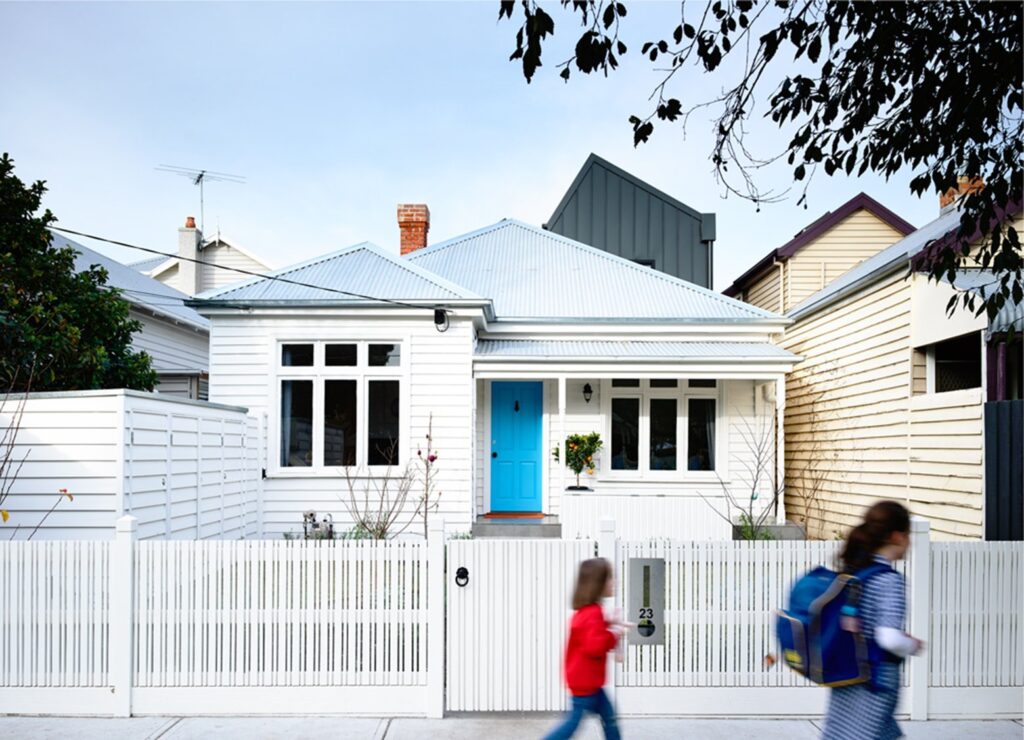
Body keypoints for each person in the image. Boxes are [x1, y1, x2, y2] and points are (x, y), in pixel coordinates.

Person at [821, 501, 925, 740]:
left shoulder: (856, 572)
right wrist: (913, 645)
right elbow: (888, 638)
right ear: (898, 537)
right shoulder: (889, 580)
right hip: (874, 680)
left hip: (847, 673)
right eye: (909, 536)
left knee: (844, 733)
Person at [544, 557, 625, 740]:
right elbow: (595, 646)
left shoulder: (589, 612)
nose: (614, 582)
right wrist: (614, 634)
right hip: (586, 684)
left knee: (609, 718)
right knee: (572, 724)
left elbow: (593, 633)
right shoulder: (592, 613)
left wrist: (610, 623)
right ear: (598, 583)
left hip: (590, 682)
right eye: (609, 578)